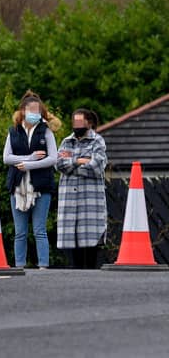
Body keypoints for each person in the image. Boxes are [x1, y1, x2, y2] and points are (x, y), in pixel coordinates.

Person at [3, 91, 60, 269]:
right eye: (31, 110)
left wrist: (30, 165)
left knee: (39, 230)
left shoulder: (46, 131)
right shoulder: (13, 131)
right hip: (17, 186)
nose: (35, 113)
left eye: (38, 110)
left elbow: (53, 158)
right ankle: (19, 265)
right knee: (20, 232)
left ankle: (43, 265)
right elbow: (7, 158)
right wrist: (31, 158)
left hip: (41, 186)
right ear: (23, 111)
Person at [56, 108, 107, 269]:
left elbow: (97, 166)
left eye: (80, 121)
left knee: (91, 240)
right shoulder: (66, 142)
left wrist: (72, 164)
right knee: (73, 238)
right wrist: (80, 161)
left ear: (89, 123)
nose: (76, 125)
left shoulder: (97, 141)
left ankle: (91, 275)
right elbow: (59, 164)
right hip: (70, 201)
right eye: (74, 121)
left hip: (90, 200)